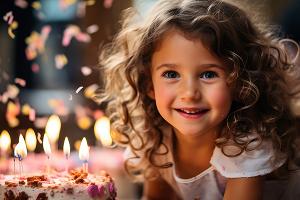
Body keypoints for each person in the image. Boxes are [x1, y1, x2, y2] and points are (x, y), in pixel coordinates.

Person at [98, 0, 300, 199]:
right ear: (148, 85)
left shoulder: (246, 147)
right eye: (170, 74)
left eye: (208, 74)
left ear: (242, 83)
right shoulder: (157, 139)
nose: (189, 93)